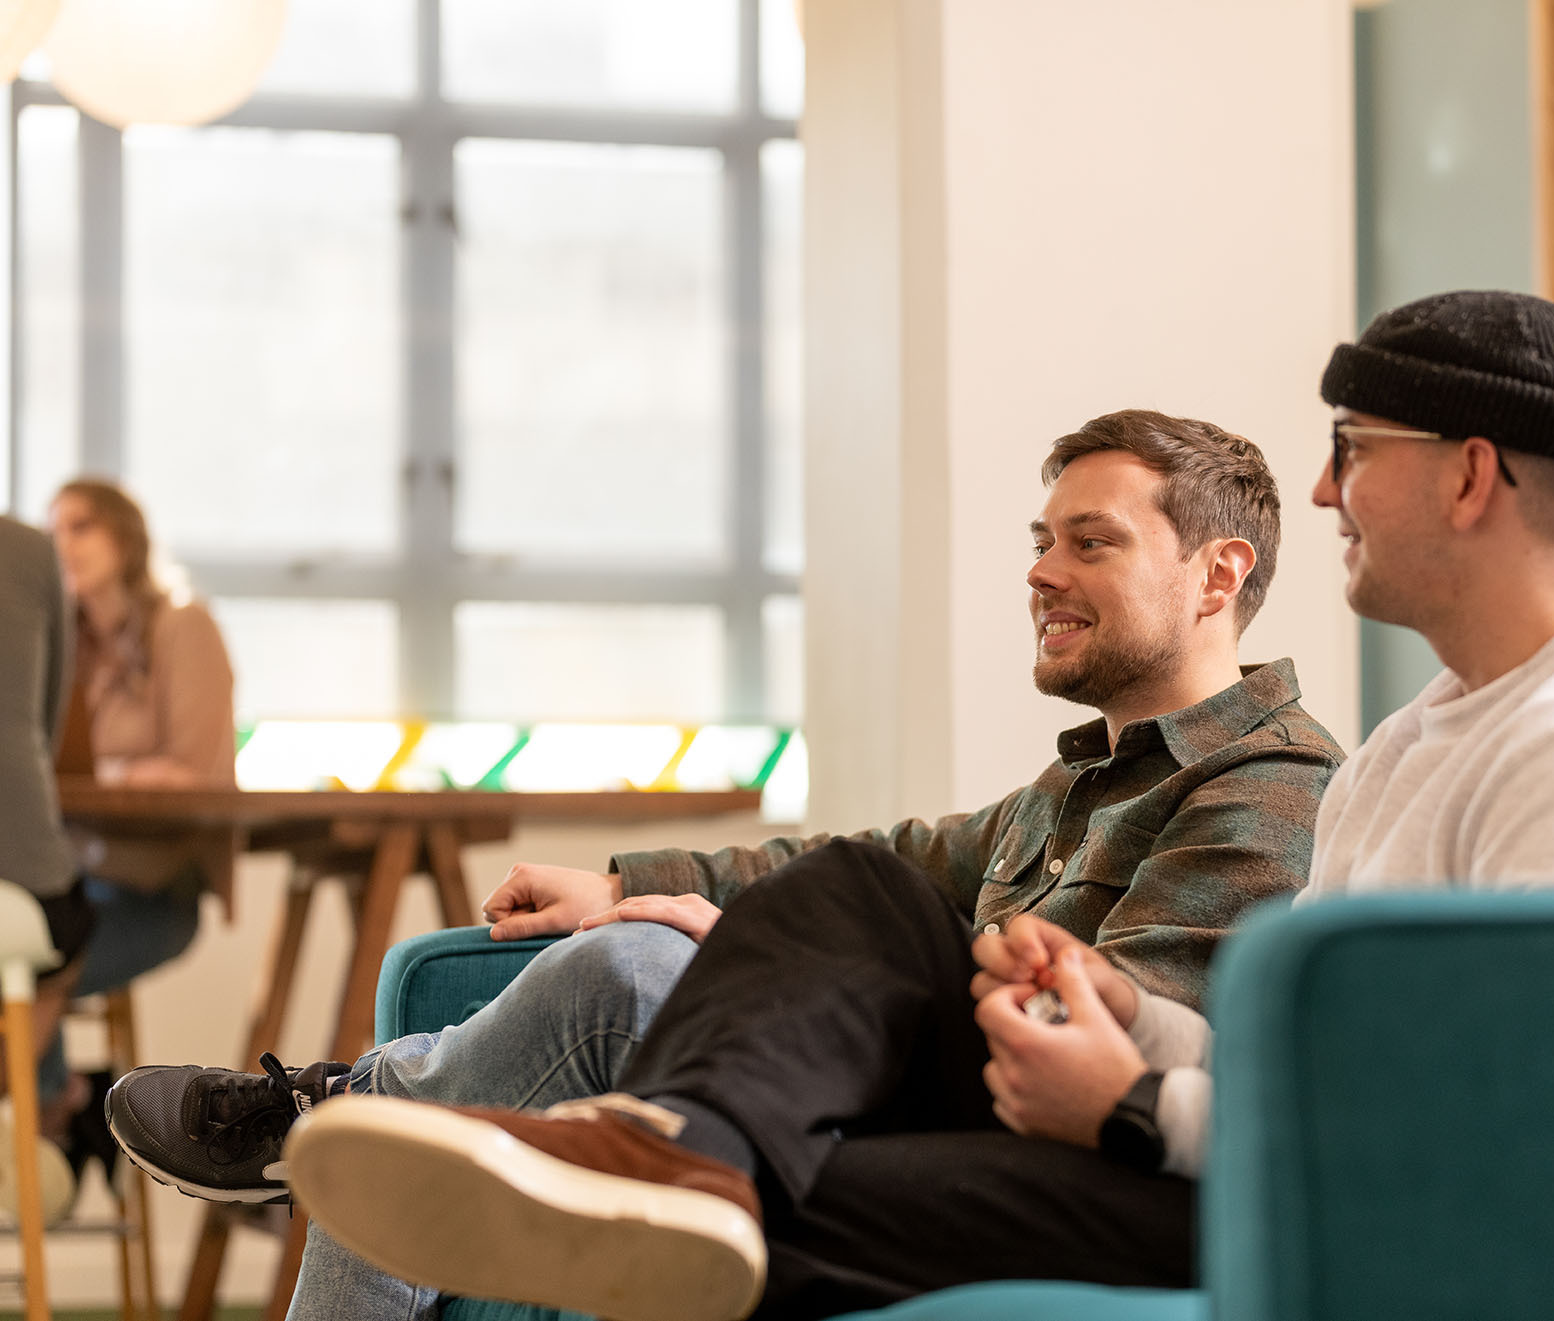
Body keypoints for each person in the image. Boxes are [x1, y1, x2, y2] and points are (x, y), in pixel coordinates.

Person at [261, 292, 1554, 1321]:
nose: (1322, 495)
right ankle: (679, 1142)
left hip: (1355, 1229)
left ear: (1471, 478)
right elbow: (1299, 1049)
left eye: (1354, 456)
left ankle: (532, 1132)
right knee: (853, 902)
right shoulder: (1424, 738)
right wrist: (1116, 1004)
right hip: (1247, 1153)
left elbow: (1491, 1155)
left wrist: (1122, 1096)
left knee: (778, 1205)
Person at [106, 409, 1344, 1316]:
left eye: (1089, 543)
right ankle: (368, 1114)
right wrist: (634, 882)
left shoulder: (1265, 786)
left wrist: (764, 955)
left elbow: (1106, 1031)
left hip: (1056, 1134)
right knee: (712, 921)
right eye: (1040, 539)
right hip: (931, 1089)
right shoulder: (1073, 785)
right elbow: (869, 863)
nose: (1039, 570)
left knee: (661, 960)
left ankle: (344, 1110)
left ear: (1216, 576)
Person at [41, 479, 236, 1182]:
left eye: (81, 525)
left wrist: (109, 775)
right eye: (53, 528)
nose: (62, 542)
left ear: (124, 538)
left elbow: (197, 771)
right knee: (23, 944)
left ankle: (51, 1112)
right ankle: (60, 1107)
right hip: (77, 873)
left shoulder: (181, 626)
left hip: (155, 888)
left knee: (32, 962)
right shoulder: (68, 648)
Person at [0, 515, 94, 1222]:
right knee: (62, 937)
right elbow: (46, 717)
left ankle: (50, 1103)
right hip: (23, 866)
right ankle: (29, 1113)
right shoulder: (31, 550)